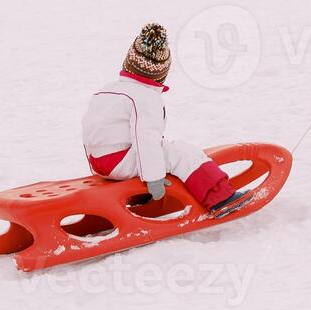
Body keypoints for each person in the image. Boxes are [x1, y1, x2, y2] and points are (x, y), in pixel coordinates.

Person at [83, 23, 247, 216]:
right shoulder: (145, 97)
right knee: (182, 153)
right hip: (120, 164)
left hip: (99, 163)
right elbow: (146, 140)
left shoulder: (106, 90)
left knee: (160, 152)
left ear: (128, 62)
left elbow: (90, 128)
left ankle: (141, 196)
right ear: (161, 74)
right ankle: (221, 198)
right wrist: (153, 178)